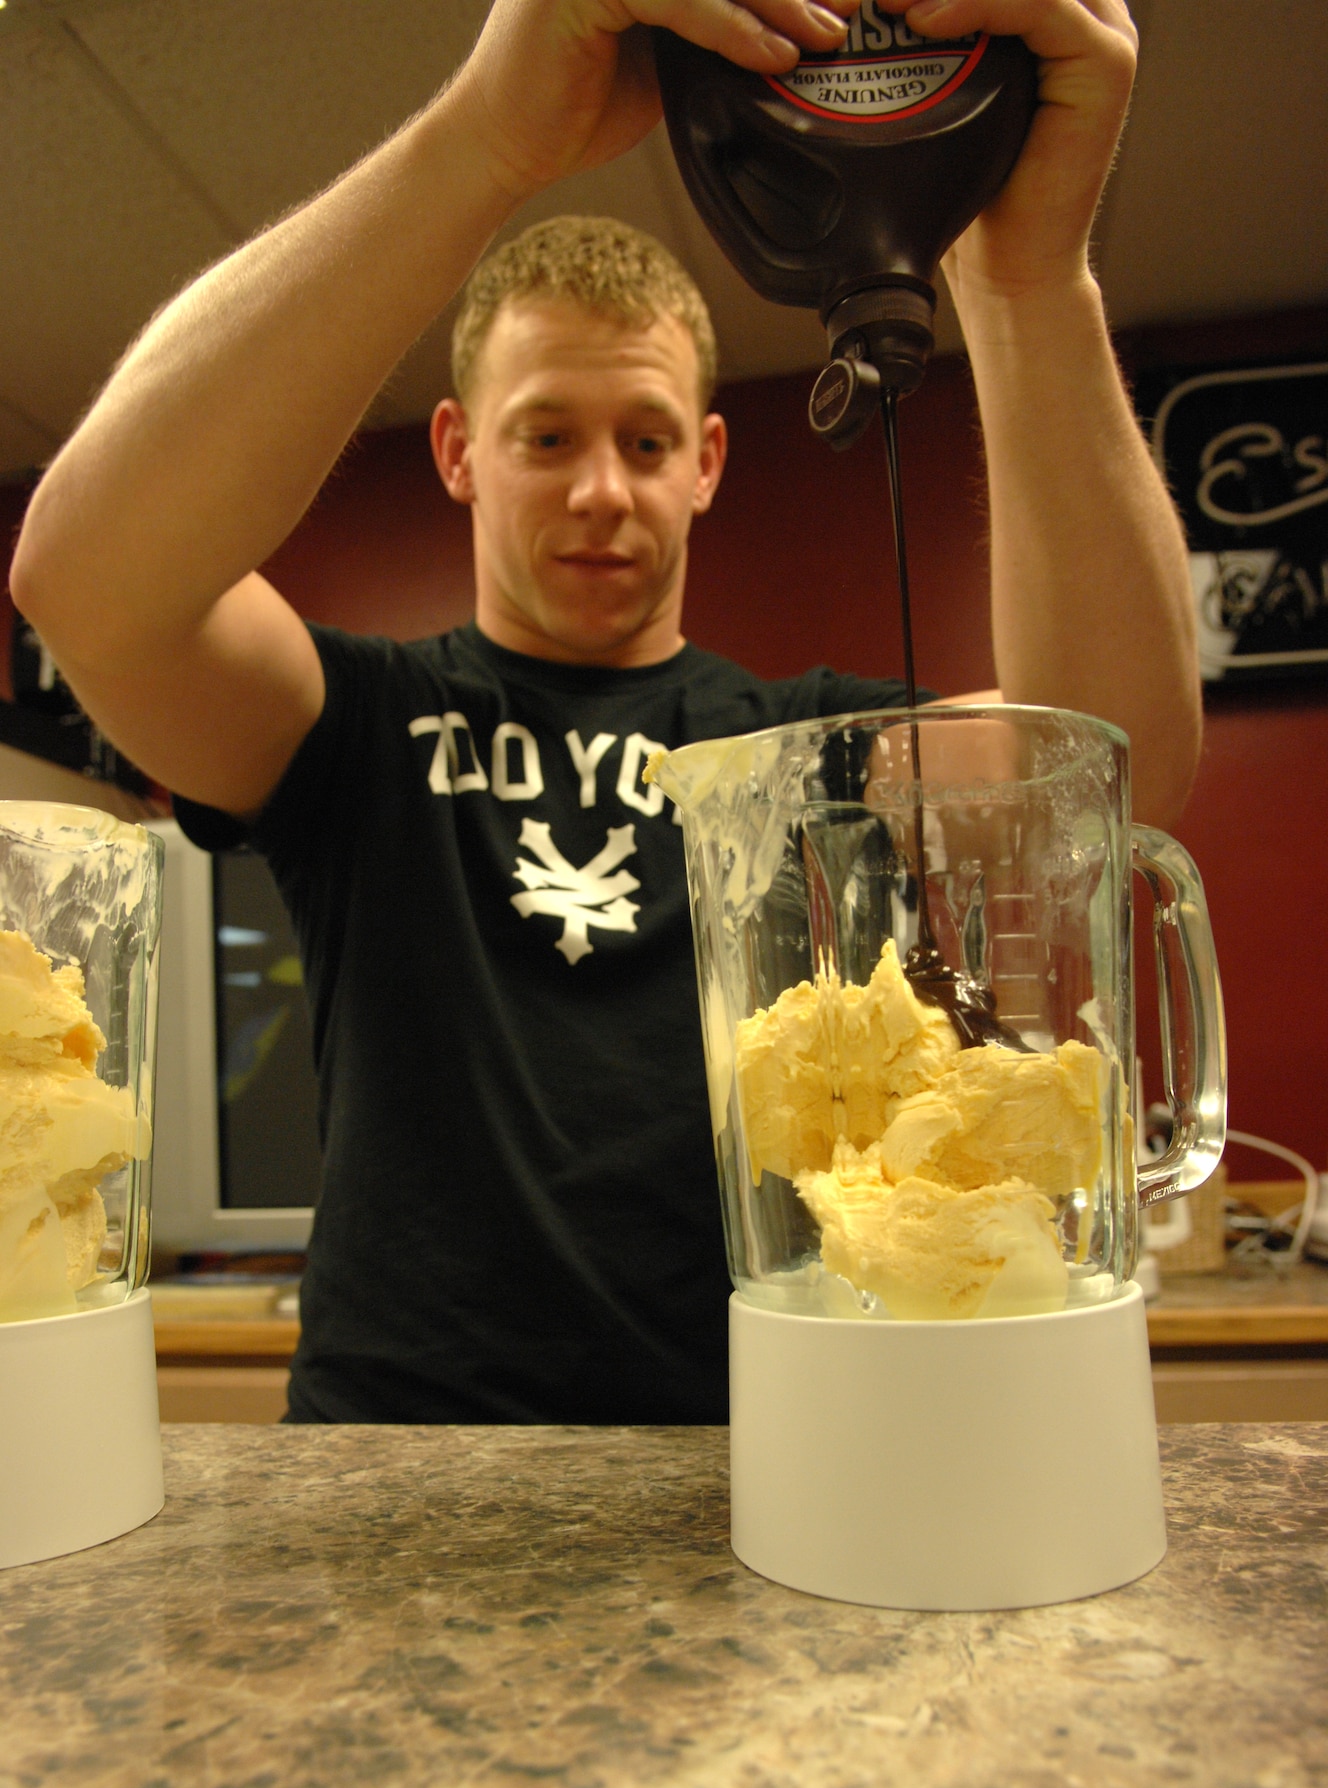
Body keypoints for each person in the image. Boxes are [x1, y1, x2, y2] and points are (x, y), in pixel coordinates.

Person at [10, 0, 1200, 1423]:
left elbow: (1113, 756)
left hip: (763, 1448)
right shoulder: (361, 725)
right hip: (401, 1467)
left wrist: (1028, 271)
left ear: (706, 462)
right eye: (546, 437)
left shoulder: (804, 755)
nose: (599, 492)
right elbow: (87, 585)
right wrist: (487, 140)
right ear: (457, 452)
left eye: (644, 442)